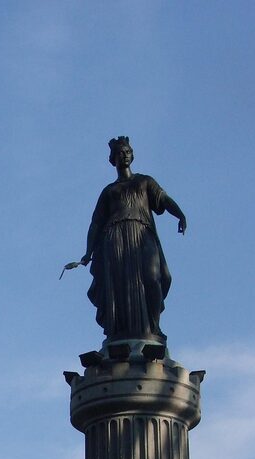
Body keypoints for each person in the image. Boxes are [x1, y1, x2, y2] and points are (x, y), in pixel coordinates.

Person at [65, 137, 187, 342]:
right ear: (113, 159)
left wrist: (180, 215)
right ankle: (120, 331)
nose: (125, 155)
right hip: (115, 240)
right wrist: (88, 252)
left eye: (128, 151)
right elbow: (95, 223)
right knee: (120, 287)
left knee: (153, 278)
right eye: (120, 152)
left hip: (142, 234)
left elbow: (163, 199)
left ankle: (153, 327)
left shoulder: (145, 181)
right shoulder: (109, 192)